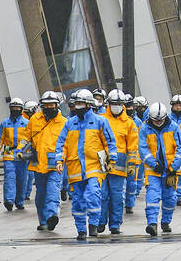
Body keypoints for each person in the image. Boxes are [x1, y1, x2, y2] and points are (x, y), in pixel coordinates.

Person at [55, 89, 116, 240]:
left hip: (94, 166)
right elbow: (61, 144)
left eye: (81, 103)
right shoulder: (70, 123)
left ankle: (93, 225)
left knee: (93, 194)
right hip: (75, 168)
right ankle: (81, 229)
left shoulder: (100, 121)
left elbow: (110, 142)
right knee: (77, 200)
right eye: (76, 104)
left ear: (89, 104)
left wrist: (112, 160)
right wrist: (59, 160)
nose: (78, 106)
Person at [16, 91, 67, 231]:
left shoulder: (64, 123)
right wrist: (20, 150)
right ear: (42, 106)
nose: (49, 107)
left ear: (57, 105)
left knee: (53, 190)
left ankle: (52, 216)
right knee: (40, 195)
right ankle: (43, 220)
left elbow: (68, 143)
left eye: (52, 104)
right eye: (46, 105)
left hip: (56, 163)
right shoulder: (35, 120)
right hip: (38, 162)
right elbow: (26, 137)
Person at [139, 102, 181, 236]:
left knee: (170, 198)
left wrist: (173, 167)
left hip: (170, 170)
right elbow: (143, 149)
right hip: (152, 170)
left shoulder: (173, 127)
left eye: (160, 120)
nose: (158, 122)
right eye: (156, 120)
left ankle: (165, 222)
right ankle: (152, 224)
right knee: (152, 196)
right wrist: (153, 164)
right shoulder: (145, 128)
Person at [98, 89, 138, 234]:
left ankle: (115, 224)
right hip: (102, 161)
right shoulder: (100, 119)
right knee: (102, 195)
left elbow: (133, 146)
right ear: (108, 104)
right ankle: (100, 222)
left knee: (116, 196)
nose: (116, 106)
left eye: (119, 104)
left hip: (120, 164)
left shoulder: (129, 123)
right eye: (114, 103)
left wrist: (132, 163)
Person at [0, 98, 29, 211]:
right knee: (9, 178)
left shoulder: (27, 123)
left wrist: (20, 148)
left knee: (22, 179)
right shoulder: (5, 123)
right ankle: (9, 201)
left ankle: (19, 201)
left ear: (21, 109)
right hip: (8, 155)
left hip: (22, 156)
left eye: (17, 108)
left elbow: (28, 139)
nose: (15, 110)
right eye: (13, 108)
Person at [124, 93, 142, 214]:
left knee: (132, 183)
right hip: (121, 157)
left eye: (131, 106)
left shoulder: (138, 122)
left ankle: (130, 204)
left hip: (134, 158)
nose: (129, 109)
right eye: (127, 106)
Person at [22, 100, 39, 200]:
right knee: (28, 174)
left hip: (30, 150)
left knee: (31, 174)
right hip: (27, 150)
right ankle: (25, 194)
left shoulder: (29, 119)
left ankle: (26, 194)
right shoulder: (27, 121)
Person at [133, 96, 149, 198]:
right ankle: (137, 189)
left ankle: (138, 188)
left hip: (146, 147)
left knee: (142, 169)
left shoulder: (146, 118)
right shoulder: (140, 119)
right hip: (141, 147)